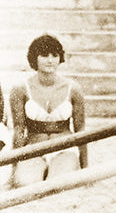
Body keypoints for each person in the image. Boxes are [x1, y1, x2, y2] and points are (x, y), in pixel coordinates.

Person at [9, 34, 86, 187]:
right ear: (34, 58)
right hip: (33, 149)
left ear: (60, 58)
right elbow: (18, 130)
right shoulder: (21, 89)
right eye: (44, 55)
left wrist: (86, 169)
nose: (50, 60)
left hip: (64, 148)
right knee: (25, 184)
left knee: (58, 185)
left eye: (54, 55)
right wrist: (14, 167)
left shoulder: (73, 89)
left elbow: (81, 131)